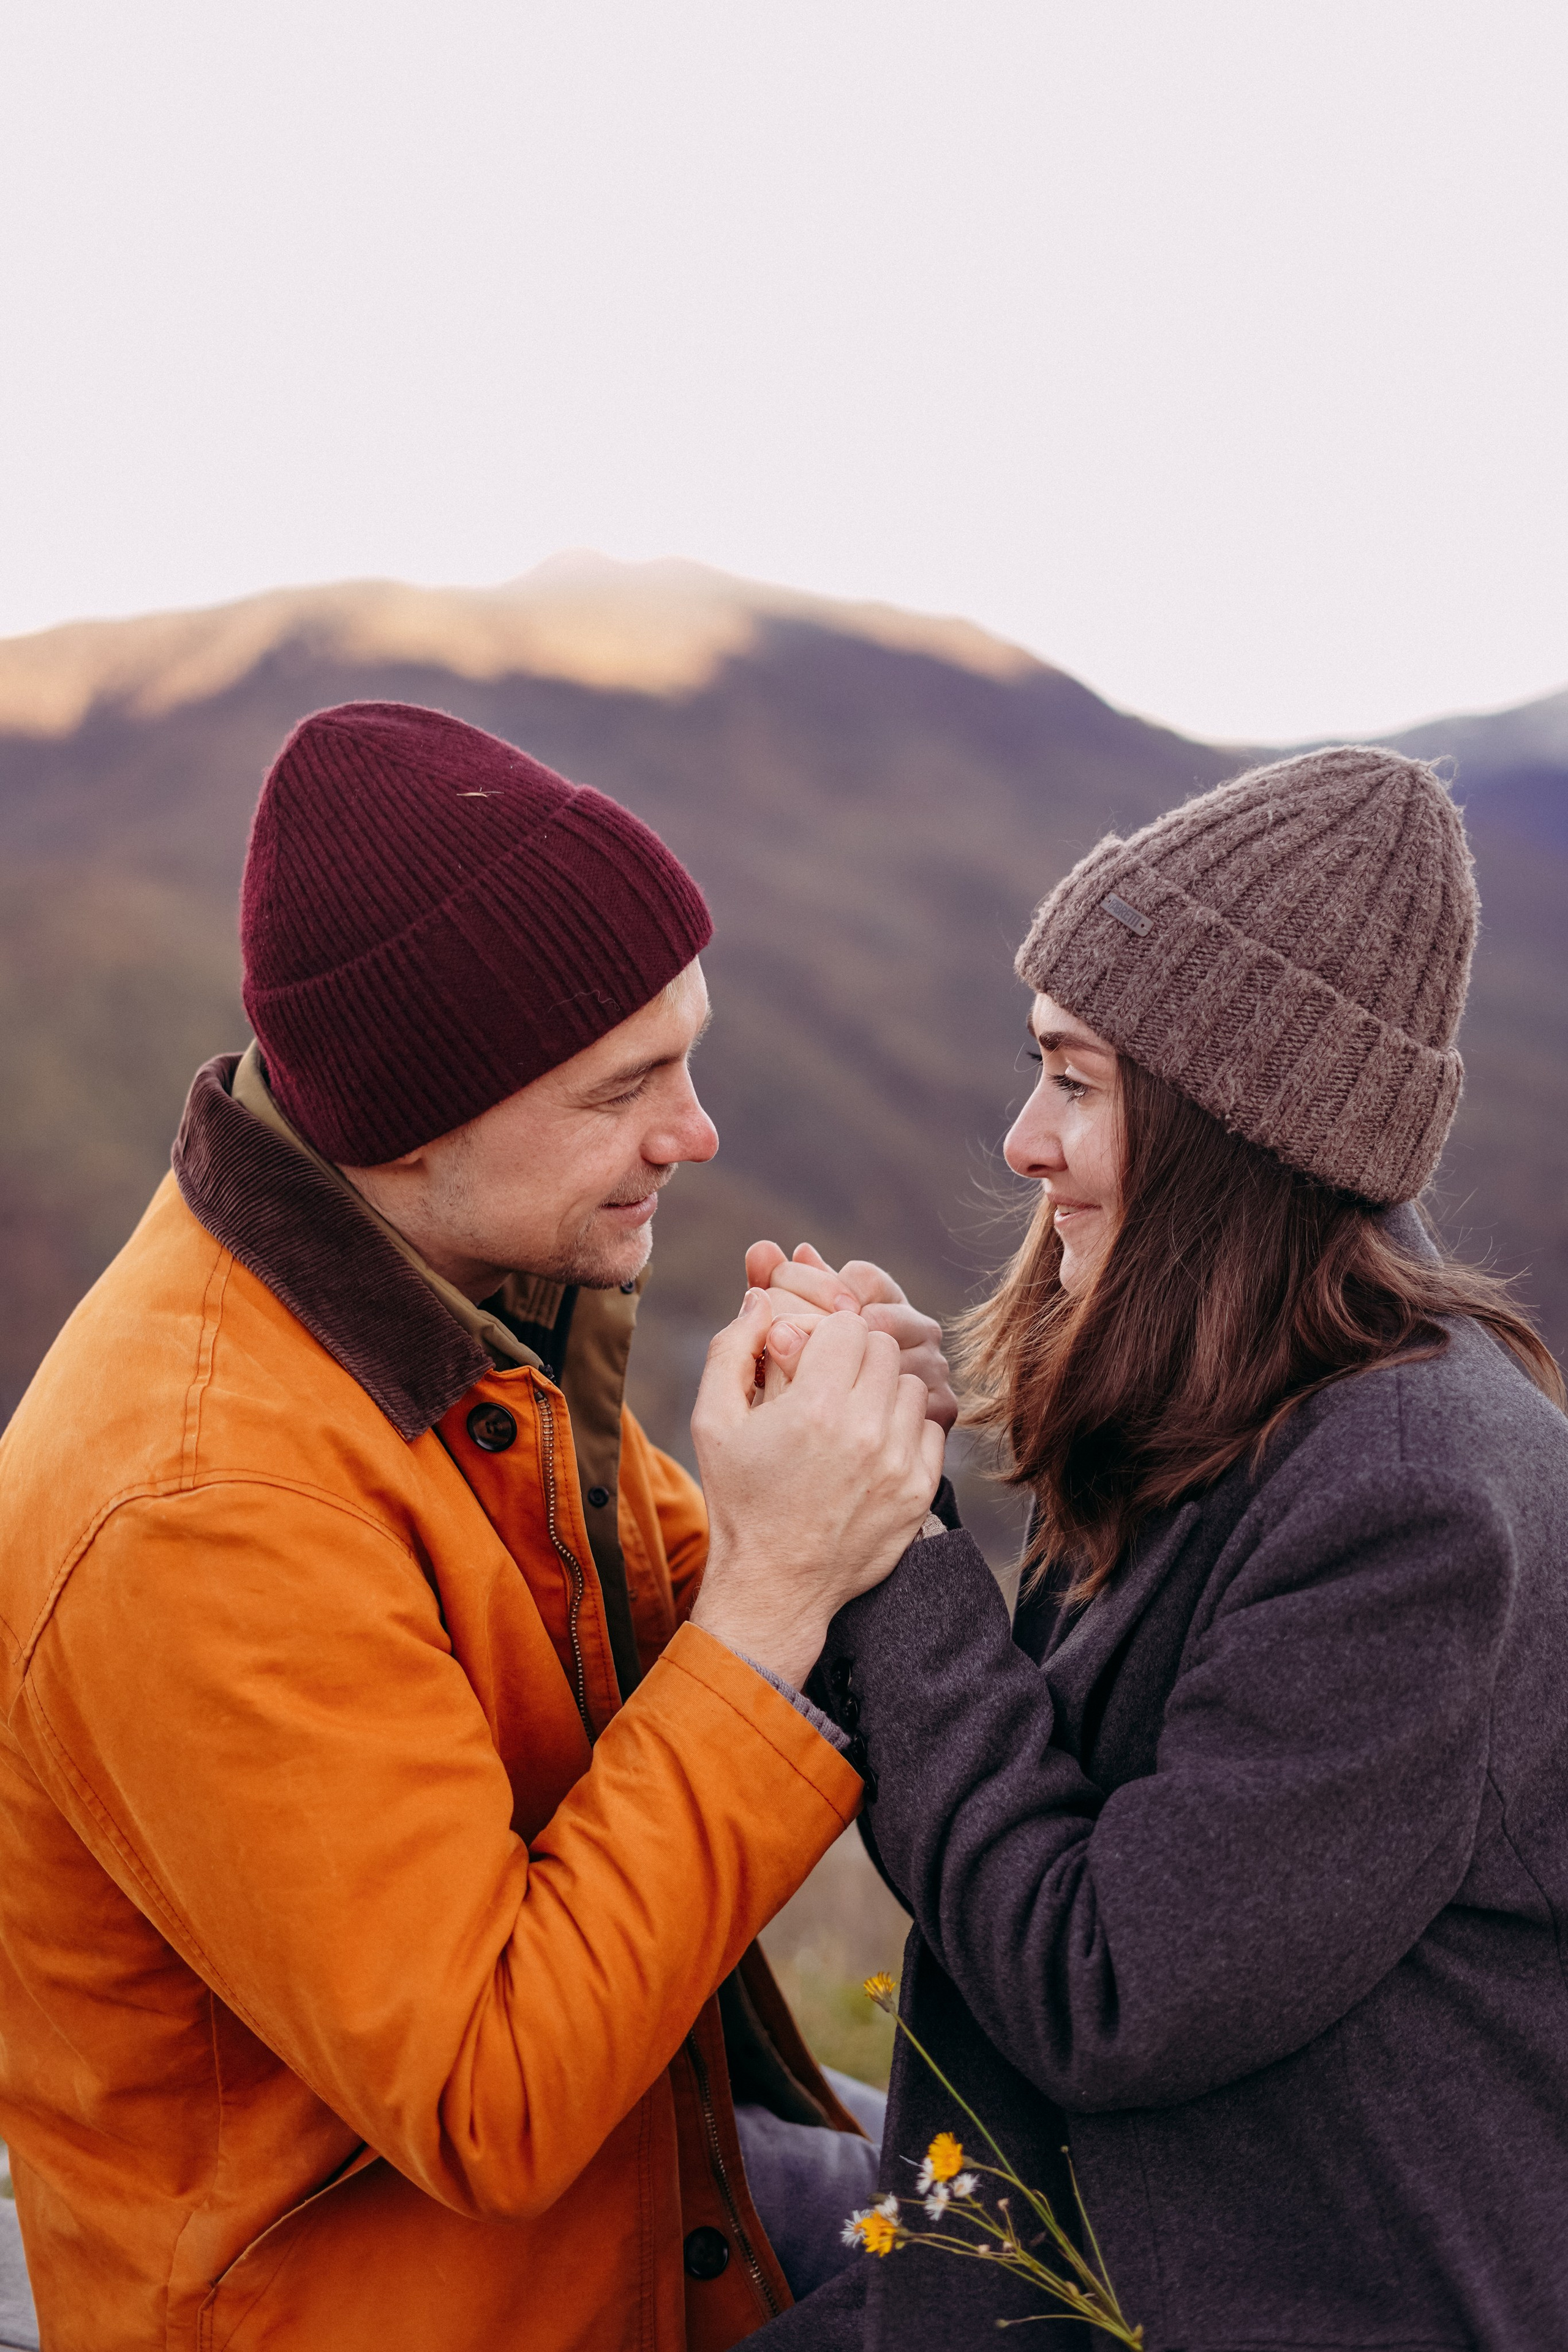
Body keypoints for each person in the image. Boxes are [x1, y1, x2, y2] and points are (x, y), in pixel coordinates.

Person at [0, 702, 952, 2352]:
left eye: (690, 1053)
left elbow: (653, 1654)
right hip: (397, 2301)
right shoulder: (201, 1507)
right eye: (624, 1089)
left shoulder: (446, 1297)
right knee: (1083, 2292)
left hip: (630, 2190)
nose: (698, 1132)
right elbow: (493, 2095)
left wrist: (823, 1473)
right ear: (412, 1117)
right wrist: (785, 1580)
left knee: (1070, 2232)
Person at [752, 746, 1568, 2350]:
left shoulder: (1408, 1499)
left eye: (1075, 1078)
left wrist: (900, 1562)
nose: (1021, 1141)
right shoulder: (1231, 1409)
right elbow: (1052, 1790)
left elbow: (1110, 1985)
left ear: (1226, 1123)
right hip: (1079, 2250)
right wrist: (885, 1481)